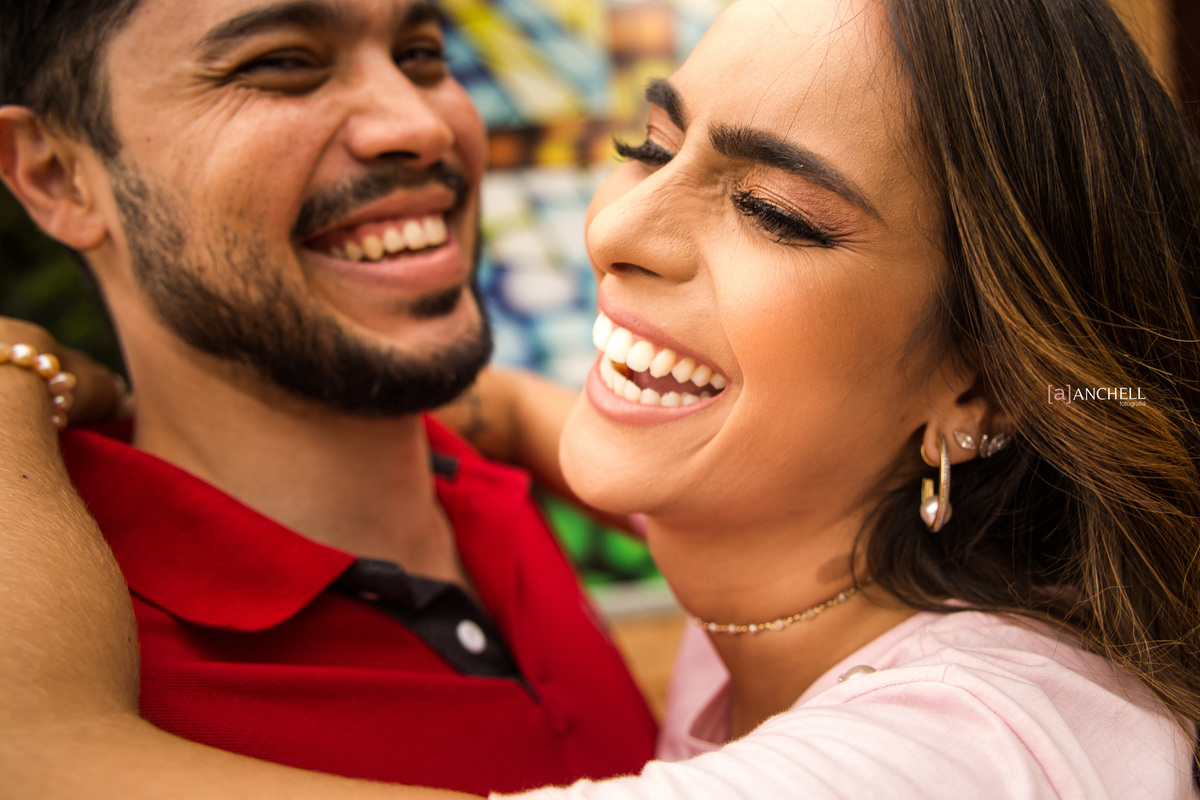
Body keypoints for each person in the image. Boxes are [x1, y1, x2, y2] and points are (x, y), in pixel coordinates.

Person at [4, 0, 1200, 797]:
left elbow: (41, 752)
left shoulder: (970, 747)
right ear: (56, 174)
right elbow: (521, 413)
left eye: (775, 210)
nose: (611, 226)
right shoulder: (745, 584)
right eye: (649, 149)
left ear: (982, 380)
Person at [0, 0, 657, 794]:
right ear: (56, 176)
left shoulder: (482, 475)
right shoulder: (68, 654)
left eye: (419, 53)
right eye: (281, 64)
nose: (420, 124)